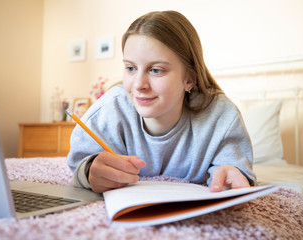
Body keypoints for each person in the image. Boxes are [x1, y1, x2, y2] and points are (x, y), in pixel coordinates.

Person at [67, 10, 256, 193]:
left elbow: (236, 171)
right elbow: (79, 162)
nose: (139, 84)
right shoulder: (110, 109)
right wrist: (89, 171)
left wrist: (233, 174)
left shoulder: (220, 116)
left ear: (189, 79)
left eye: (156, 70)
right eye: (131, 68)